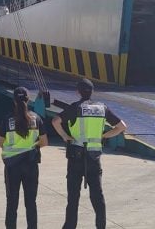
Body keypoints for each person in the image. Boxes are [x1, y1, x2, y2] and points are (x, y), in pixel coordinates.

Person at [52, 78, 127, 229]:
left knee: (73, 198)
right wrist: (104, 136)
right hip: (94, 157)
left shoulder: (75, 107)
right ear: (92, 92)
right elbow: (122, 126)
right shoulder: (102, 108)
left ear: (78, 92)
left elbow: (55, 121)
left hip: (76, 156)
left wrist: (65, 136)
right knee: (97, 197)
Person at [0, 87, 48, 229]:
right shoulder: (36, 119)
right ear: (28, 99)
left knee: (12, 202)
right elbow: (44, 142)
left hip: (12, 166)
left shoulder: (7, 120)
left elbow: (1, 143)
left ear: (14, 101)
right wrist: (31, 146)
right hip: (31, 164)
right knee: (31, 202)